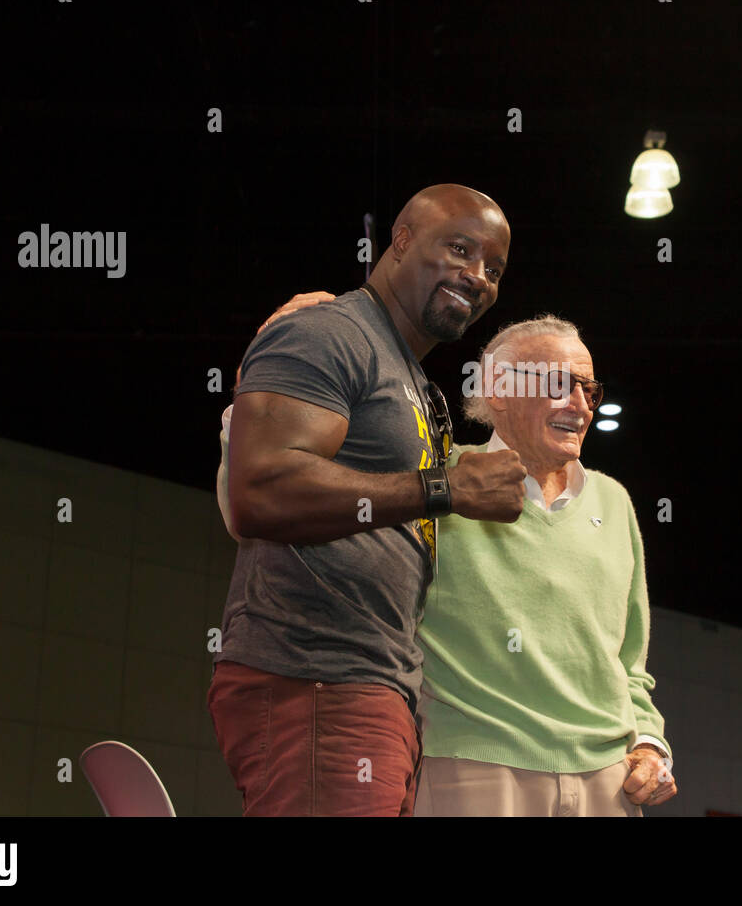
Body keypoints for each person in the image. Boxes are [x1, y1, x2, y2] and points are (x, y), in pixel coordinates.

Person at [218, 306, 678, 815]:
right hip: (470, 767)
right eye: (559, 384)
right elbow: (264, 501)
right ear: (499, 388)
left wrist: (650, 742)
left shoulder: (614, 502)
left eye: (589, 390)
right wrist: (256, 399)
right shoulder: (438, 477)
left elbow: (630, 662)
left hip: (608, 784)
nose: (580, 405)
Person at [207, 184, 526, 817]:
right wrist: (444, 490)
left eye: (493, 268)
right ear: (401, 240)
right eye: (460, 248)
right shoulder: (330, 333)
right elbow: (259, 491)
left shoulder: (414, 382)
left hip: (374, 688)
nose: (478, 276)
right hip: (315, 672)